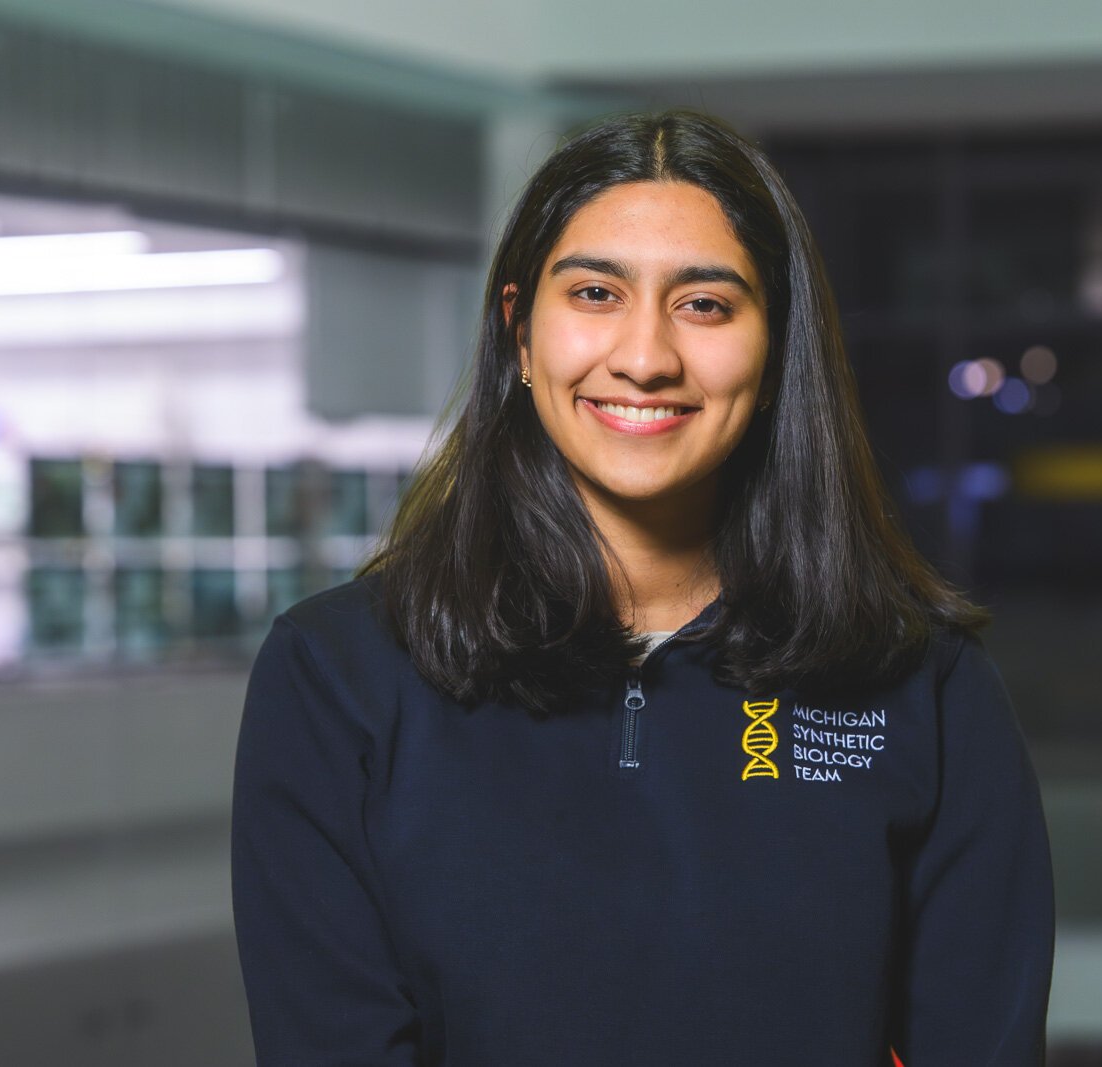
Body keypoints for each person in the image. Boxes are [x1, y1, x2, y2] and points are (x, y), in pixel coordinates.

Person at [231, 110, 1054, 1066]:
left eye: (705, 304)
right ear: (520, 331)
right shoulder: (338, 676)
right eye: (595, 293)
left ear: (776, 350)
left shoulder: (927, 684)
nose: (646, 356)